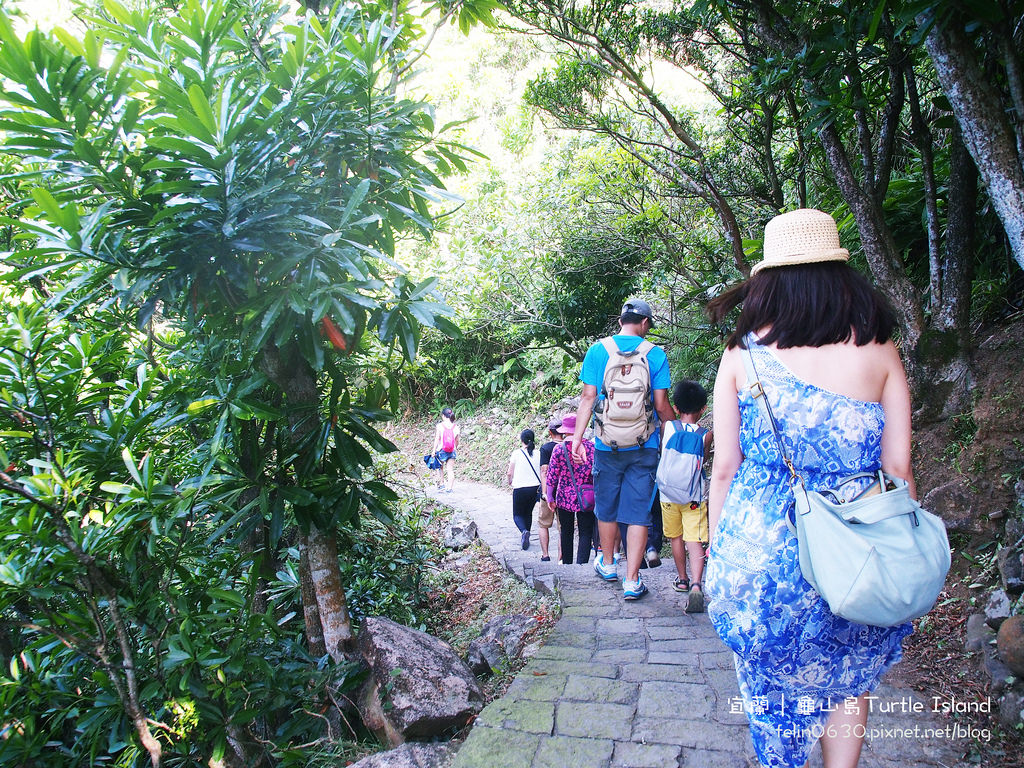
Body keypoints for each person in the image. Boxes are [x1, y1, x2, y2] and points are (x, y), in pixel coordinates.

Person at [704, 208, 915, 768]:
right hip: (857, 550)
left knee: (773, 685)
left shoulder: (741, 354)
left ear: (767, 280)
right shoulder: (880, 350)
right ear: (841, 275)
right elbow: (900, 472)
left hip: (763, 553)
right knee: (848, 676)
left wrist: (716, 562)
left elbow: (724, 467)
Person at [571, 298, 674, 600]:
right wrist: (674, 427)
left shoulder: (597, 350)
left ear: (620, 321)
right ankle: (632, 580)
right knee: (639, 511)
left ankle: (607, 563)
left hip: (607, 443)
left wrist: (577, 438)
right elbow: (660, 405)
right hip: (644, 443)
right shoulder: (655, 355)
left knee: (607, 505)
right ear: (645, 324)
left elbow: (588, 398)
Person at [657, 380, 713, 614]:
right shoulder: (705, 435)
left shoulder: (668, 427)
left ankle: (682, 579)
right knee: (695, 539)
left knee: (676, 537)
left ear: (677, 407)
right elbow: (704, 461)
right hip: (694, 495)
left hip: (668, 494)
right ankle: (697, 584)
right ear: (702, 409)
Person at [546, 415, 596, 564]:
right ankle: (582, 563)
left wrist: (550, 496)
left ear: (565, 431)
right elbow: (596, 471)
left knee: (566, 531)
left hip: (564, 497)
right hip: (587, 495)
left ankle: (567, 564)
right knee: (585, 532)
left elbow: (552, 475)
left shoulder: (559, 449)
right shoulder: (591, 447)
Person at [507, 429, 542, 551]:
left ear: (522, 440)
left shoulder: (516, 453)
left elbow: (509, 472)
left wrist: (509, 480)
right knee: (528, 513)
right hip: (535, 488)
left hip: (520, 487)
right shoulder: (538, 453)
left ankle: (524, 531)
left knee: (517, 514)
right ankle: (527, 533)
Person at [538, 417, 565, 562]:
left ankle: (545, 555)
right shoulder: (568, 446)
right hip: (565, 492)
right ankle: (561, 558)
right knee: (563, 527)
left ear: (550, 432)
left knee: (543, 524)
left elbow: (544, 472)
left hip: (549, 492)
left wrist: (545, 493)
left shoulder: (546, 448)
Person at [432, 407, 460, 492]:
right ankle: (450, 488)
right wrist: (455, 448)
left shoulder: (440, 426)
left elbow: (437, 438)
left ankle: (441, 484)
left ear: (443, 416)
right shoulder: (456, 427)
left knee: (440, 467)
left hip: (441, 450)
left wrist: (434, 450)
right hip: (452, 450)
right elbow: (457, 440)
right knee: (450, 469)